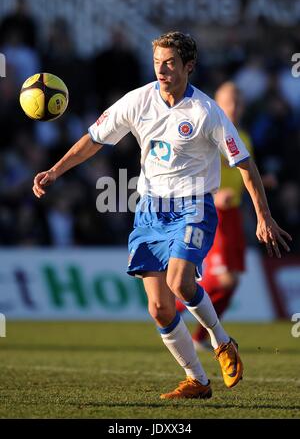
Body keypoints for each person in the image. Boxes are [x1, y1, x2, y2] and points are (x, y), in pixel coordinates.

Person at [32, 32, 291, 400]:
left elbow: (244, 163)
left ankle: (222, 342)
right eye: (157, 62)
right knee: (158, 307)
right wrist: (55, 171)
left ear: (189, 66)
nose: (162, 69)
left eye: (170, 62)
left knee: (180, 281)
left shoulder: (206, 112)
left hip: (194, 206)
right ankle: (198, 381)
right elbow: (94, 138)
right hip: (150, 209)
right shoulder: (138, 100)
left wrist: (263, 217)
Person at [176, 81, 253, 349]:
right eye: (229, 101)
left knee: (233, 282)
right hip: (213, 210)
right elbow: (195, 169)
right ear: (217, 104)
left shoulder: (244, 137)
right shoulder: (209, 134)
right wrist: (213, 193)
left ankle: (200, 337)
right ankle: (173, 302)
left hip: (234, 214)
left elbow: (243, 174)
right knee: (224, 278)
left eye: (238, 102)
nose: (234, 107)